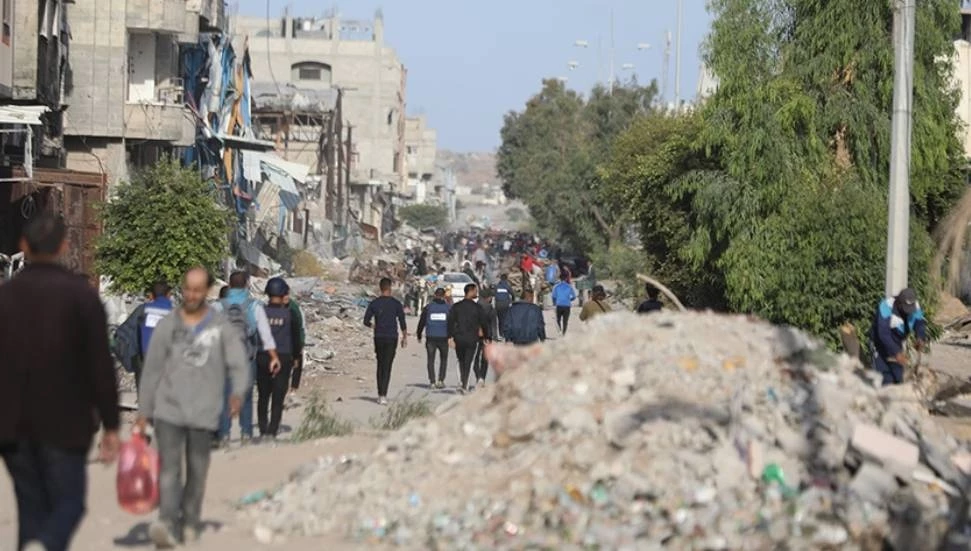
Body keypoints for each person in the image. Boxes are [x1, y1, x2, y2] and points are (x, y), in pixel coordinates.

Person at [0, 214, 120, 551]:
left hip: (12, 424)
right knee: (69, 503)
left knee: (31, 509)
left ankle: (36, 544)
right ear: (64, 246)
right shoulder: (81, 297)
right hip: (66, 423)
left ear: (23, 246)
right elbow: (100, 366)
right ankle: (46, 544)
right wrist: (111, 425)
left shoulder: (6, 297)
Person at [138, 266, 249, 547]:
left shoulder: (220, 326)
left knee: (197, 472)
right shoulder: (168, 325)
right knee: (169, 469)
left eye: (197, 290)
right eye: (187, 289)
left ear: (207, 291)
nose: (191, 295)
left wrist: (237, 393)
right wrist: (144, 412)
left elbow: (238, 363)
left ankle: (189, 521)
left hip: (203, 411)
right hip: (169, 409)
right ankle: (166, 522)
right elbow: (151, 370)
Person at [214, 272, 279, 446]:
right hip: (247, 356)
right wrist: (274, 356)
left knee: (225, 394)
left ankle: (224, 435)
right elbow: (265, 334)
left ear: (229, 284)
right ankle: (246, 434)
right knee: (247, 396)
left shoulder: (217, 306)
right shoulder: (254, 305)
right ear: (247, 284)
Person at [257, 278, 303, 439]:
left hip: (263, 356)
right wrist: (296, 357)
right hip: (283, 357)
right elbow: (296, 339)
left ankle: (262, 429)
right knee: (278, 397)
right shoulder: (290, 314)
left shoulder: (260, 312)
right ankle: (272, 431)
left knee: (263, 396)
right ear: (284, 294)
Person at [114, 281, 174, 393]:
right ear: (169, 295)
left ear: (151, 296)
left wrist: (129, 360)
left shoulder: (142, 310)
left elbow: (123, 334)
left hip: (143, 362)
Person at [870, 287, 928, 386]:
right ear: (899, 303)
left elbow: (919, 322)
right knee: (884, 379)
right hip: (880, 344)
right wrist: (896, 352)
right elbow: (883, 334)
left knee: (899, 378)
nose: (909, 312)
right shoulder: (886, 307)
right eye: (906, 309)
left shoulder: (915, 305)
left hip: (897, 343)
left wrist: (920, 337)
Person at [363, 277, 407, 405]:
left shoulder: (374, 303)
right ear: (390, 288)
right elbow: (402, 321)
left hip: (379, 337)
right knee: (387, 366)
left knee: (380, 364)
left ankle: (380, 393)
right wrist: (404, 337)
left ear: (380, 288)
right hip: (391, 337)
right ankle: (383, 395)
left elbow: (366, 321)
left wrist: (374, 326)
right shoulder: (396, 304)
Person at [448, 283, 489, 392]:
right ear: (470, 291)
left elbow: (450, 321)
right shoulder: (477, 308)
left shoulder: (456, 306)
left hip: (459, 337)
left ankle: (461, 382)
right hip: (472, 338)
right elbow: (484, 323)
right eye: (475, 291)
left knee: (460, 360)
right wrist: (486, 336)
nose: (476, 293)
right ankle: (465, 385)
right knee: (468, 362)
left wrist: (450, 336)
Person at [416, 287, 450, 388]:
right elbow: (452, 323)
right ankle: (441, 380)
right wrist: (452, 335)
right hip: (443, 337)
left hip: (431, 336)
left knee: (431, 359)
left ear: (435, 295)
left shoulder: (428, 307)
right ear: (444, 296)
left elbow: (422, 322)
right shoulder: (448, 308)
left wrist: (419, 334)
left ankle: (432, 381)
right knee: (443, 359)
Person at [281, 286, 306, 393]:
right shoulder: (274, 307)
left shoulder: (294, 308)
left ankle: (294, 388)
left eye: (286, 294)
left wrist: (301, 343)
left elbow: (301, 327)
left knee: (297, 363)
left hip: (294, 340)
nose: (285, 297)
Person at [473, 289, 499, 387]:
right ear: (488, 298)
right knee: (485, 358)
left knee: (475, 358)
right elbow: (493, 324)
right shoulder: (490, 309)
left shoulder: (474, 307)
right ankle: (482, 378)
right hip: (487, 336)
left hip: (475, 335)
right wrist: (494, 337)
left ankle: (478, 376)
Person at [494, 274, 514, 340]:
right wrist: (512, 300)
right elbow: (512, 293)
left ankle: (501, 333)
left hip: (498, 304)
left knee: (500, 319)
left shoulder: (497, 286)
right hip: (505, 304)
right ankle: (505, 333)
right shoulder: (507, 286)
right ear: (506, 279)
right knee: (506, 319)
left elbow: (494, 294)